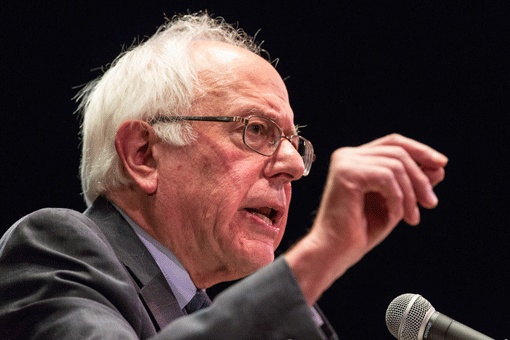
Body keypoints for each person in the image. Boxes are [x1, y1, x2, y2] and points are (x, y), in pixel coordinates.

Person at [0, 12, 447, 339]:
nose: (293, 166)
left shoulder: (212, 315)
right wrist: (323, 252)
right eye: (256, 129)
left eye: (294, 141)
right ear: (143, 154)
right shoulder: (52, 249)